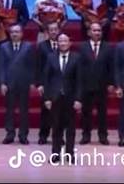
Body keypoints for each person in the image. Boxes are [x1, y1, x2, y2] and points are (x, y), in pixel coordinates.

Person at [43, 33, 83, 163]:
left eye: (65, 41)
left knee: (70, 128)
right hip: (55, 97)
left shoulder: (77, 58)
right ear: (57, 43)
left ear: (70, 43)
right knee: (56, 127)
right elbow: (46, 79)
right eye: (60, 41)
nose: (63, 43)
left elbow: (80, 80)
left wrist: (78, 99)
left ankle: (69, 154)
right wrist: (47, 98)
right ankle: (55, 154)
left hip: (70, 98)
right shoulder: (50, 57)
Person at [0, 23, 35, 144]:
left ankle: (23, 135)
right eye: (12, 32)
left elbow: (31, 66)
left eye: (17, 32)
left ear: (22, 34)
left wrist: (32, 82)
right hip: (9, 83)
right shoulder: (3, 47)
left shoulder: (28, 47)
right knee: (9, 110)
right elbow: (1, 66)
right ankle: (10, 134)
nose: (14, 34)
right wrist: (2, 83)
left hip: (24, 83)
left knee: (24, 110)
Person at [79, 21, 114, 145]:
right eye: (94, 30)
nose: (97, 33)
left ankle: (103, 136)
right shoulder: (82, 47)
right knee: (86, 112)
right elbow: (80, 67)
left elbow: (111, 67)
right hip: (86, 85)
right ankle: (86, 135)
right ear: (89, 32)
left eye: (99, 30)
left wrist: (111, 83)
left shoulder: (108, 47)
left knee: (102, 113)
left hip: (102, 85)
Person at [35, 21, 61, 145]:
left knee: (60, 112)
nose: (54, 32)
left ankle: (58, 136)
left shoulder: (63, 44)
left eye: (56, 29)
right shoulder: (42, 46)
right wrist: (39, 84)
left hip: (60, 83)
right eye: (51, 30)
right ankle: (43, 136)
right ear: (47, 32)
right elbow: (38, 66)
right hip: (47, 83)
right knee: (45, 111)